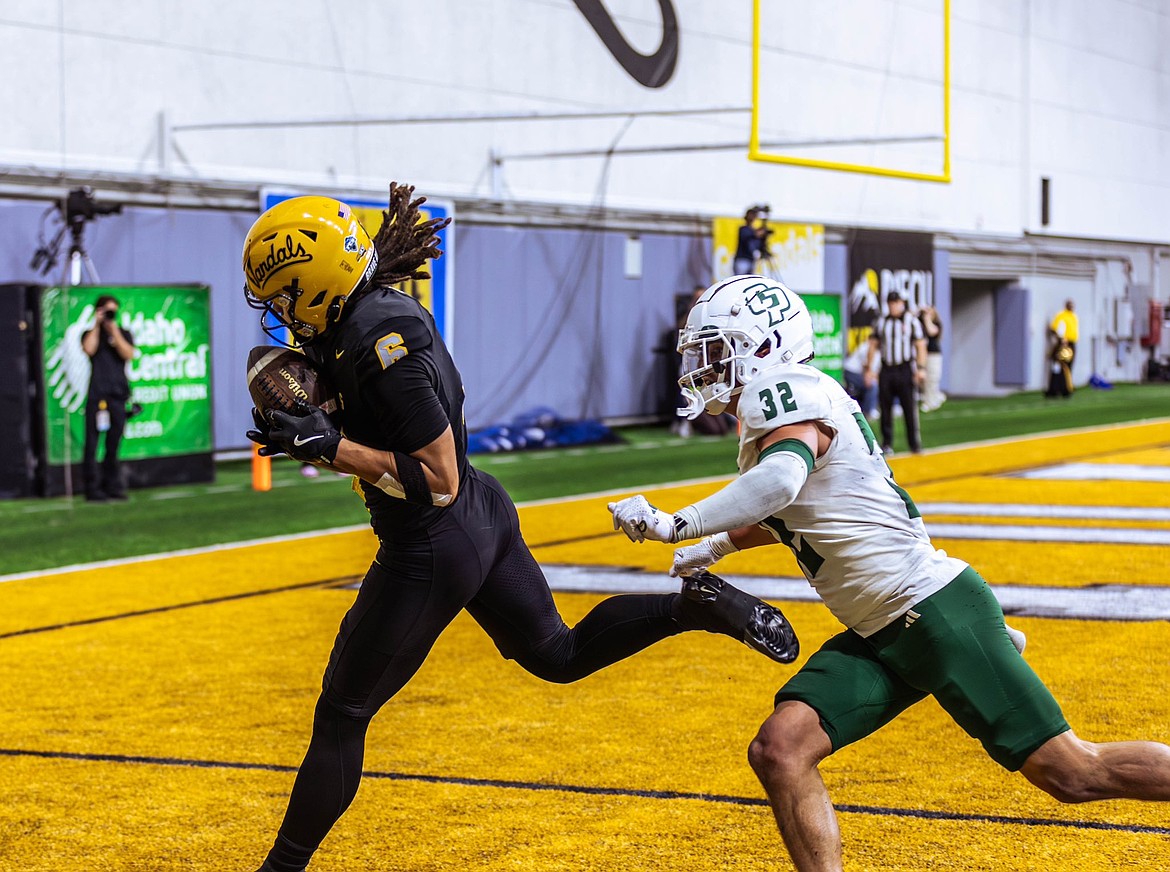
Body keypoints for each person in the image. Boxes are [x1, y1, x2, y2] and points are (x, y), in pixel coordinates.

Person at [241, 187, 797, 872]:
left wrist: (329, 447)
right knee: (557, 656)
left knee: (342, 714)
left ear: (314, 282)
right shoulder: (371, 316)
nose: (276, 310)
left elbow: (435, 479)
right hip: (480, 515)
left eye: (281, 293)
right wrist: (328, 427)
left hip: (432, 541)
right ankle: (696, 605)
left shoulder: (378, 341)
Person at [609, 275, 1170, 872]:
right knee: (780, 749)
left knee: (1072, 772)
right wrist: (719, 545)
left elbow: (778, 484)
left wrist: (679, 525)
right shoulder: (787, 407)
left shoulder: (785, 393)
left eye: (720, 348)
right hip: (884, 627)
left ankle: (982, 647)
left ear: (765, 346)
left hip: (929, 612)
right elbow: (787, 509)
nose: (706, 363)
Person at [80, 294, 134, 501]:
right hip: (97, 395)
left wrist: (114, 331)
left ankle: (112, 486)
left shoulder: (123, 333)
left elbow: (128, 354)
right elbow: (88, 348)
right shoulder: (91, 333)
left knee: (114, 443)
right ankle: (92, 488)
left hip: (118, 395)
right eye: (107, 311)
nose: (110, 315)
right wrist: (97, 324)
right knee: (92, 444)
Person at [864, 291, 925, 454]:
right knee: (885, 408)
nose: (893, 306)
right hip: (887, 369)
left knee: (909, 407)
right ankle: (887, 443)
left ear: (902, 303)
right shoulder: (882, 321)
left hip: (904, 368)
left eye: (896, 302)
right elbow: (873, 344)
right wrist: (870, 368)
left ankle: (914, 444)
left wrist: (920, 369)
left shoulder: (911, 321)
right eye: (891, 303)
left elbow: (920, 345)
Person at [1046, 299, 1078, 398]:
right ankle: (1057, 389)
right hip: (1064, 344)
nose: (1071, 308)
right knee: (1060, 366)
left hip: (1071, 344)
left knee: (1066, 366)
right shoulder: (1061, 315)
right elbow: (1053, 328)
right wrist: (1061, 339)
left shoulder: (1073, 316)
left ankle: (1064, 388)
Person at [918, 304, 946, 411]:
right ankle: (929, 398)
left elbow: (931, 331)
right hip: (924, 354)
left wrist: (927, 319)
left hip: (934, 354)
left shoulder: (937, 323)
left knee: (933, 378)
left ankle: (932, 399)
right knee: (924, 379)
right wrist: (919, 311)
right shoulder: (920, 324)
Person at [733, 206, 771, 275]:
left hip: (751, 260)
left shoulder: (753, 231)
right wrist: (759, 233)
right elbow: (748, 236)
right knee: (740, 281)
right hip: (742, 260)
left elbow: (758, 243)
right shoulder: (743, 229)